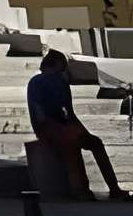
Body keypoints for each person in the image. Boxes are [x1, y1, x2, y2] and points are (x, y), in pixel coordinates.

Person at [28, 48, 130, 200]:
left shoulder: (36, 82)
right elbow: (63, 112)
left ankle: (88, 189)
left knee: (89, 142)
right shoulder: (54, 81)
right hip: (54, 127)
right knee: (79, 145)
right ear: (57, 65)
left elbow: (62, 112)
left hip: (50, 127)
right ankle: (95, 188)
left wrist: (78, 131)